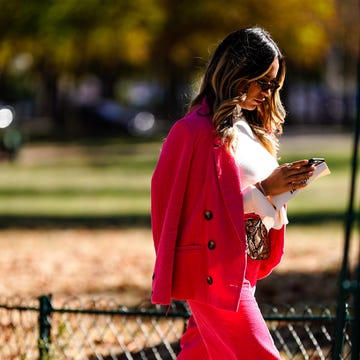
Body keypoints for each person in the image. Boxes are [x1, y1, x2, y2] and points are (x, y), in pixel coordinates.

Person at [150, 27, 315, 360]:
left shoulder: (252, 129)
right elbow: (179, 213)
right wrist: (266, 190)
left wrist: (283, 188)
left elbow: (250, 197)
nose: (269, 94)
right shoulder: (192, 132)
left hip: (246, 262)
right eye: (263, 82)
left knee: (200, 354)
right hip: (211, 268)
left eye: (274, 85)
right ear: (238, 73)